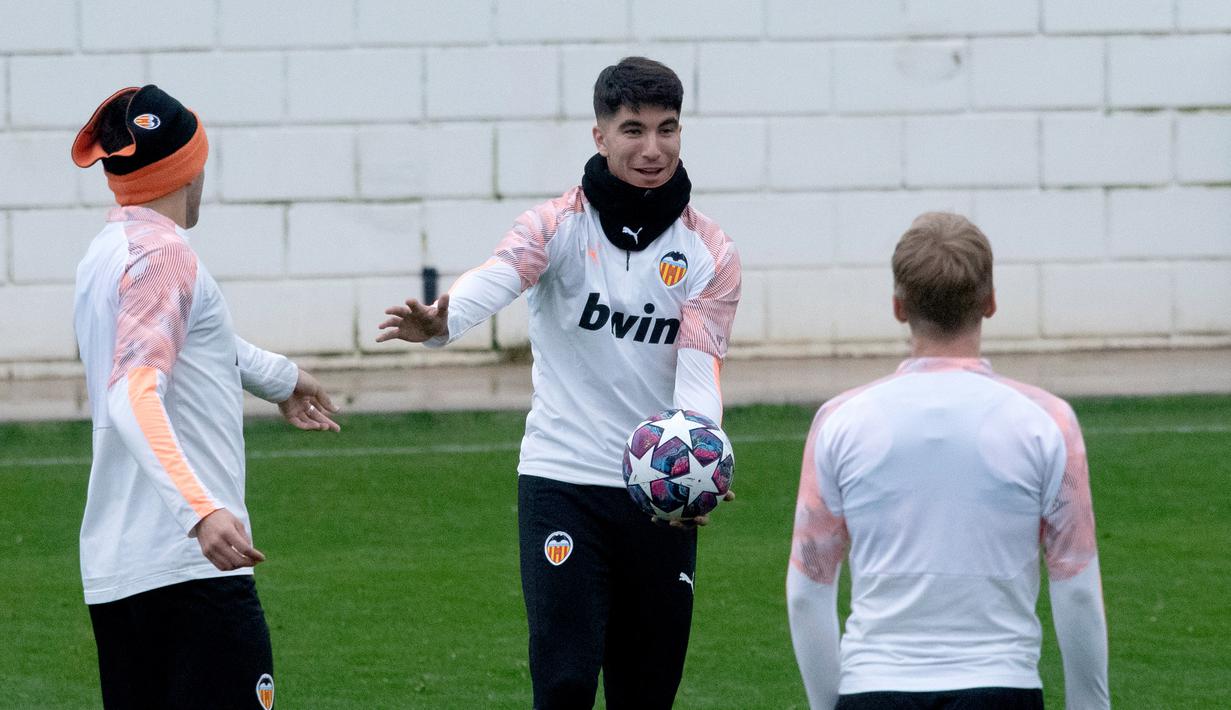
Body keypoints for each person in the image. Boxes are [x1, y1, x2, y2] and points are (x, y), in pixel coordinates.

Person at [377, 57, 741, 709]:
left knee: (646, 691)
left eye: (667, 129)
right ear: (599, 135)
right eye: (633, 129)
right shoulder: (555, 226)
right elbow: (496, 278)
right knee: (566, 680)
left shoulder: (709, 251)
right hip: (561, 479)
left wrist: (700, 461)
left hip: (656, 494)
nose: (652, 149)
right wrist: (442, 320)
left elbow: (697, 371)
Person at [71, 85, 340, 709]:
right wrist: (199, 509)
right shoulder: (166, 256)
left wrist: (280, 377)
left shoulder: (106, 253)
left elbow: (190, 342)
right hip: (187, 571)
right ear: (190, 164)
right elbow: (133, 392)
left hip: (119, 571)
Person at [786, 212, 1109, 709]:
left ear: (898, 306)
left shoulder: (840, 421)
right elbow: (1078, 587)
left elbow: (808, 589)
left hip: (875, 687)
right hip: (1001, 687)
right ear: (991, 302)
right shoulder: (1048, 422)